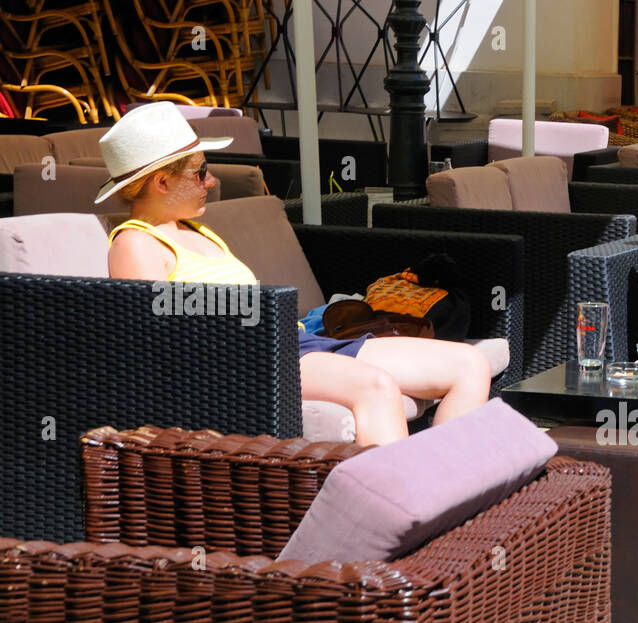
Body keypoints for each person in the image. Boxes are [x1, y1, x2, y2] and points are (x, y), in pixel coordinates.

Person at [96, 103, 490, 446]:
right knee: (376, 387)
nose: (211, 182)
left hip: (297, 342)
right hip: (250, 361)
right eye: (200, 173)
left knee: (469, 364)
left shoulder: (196, 229)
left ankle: (451, 485)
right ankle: (403, 516)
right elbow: (155, 340)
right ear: (162, 182)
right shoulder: (136, 244)